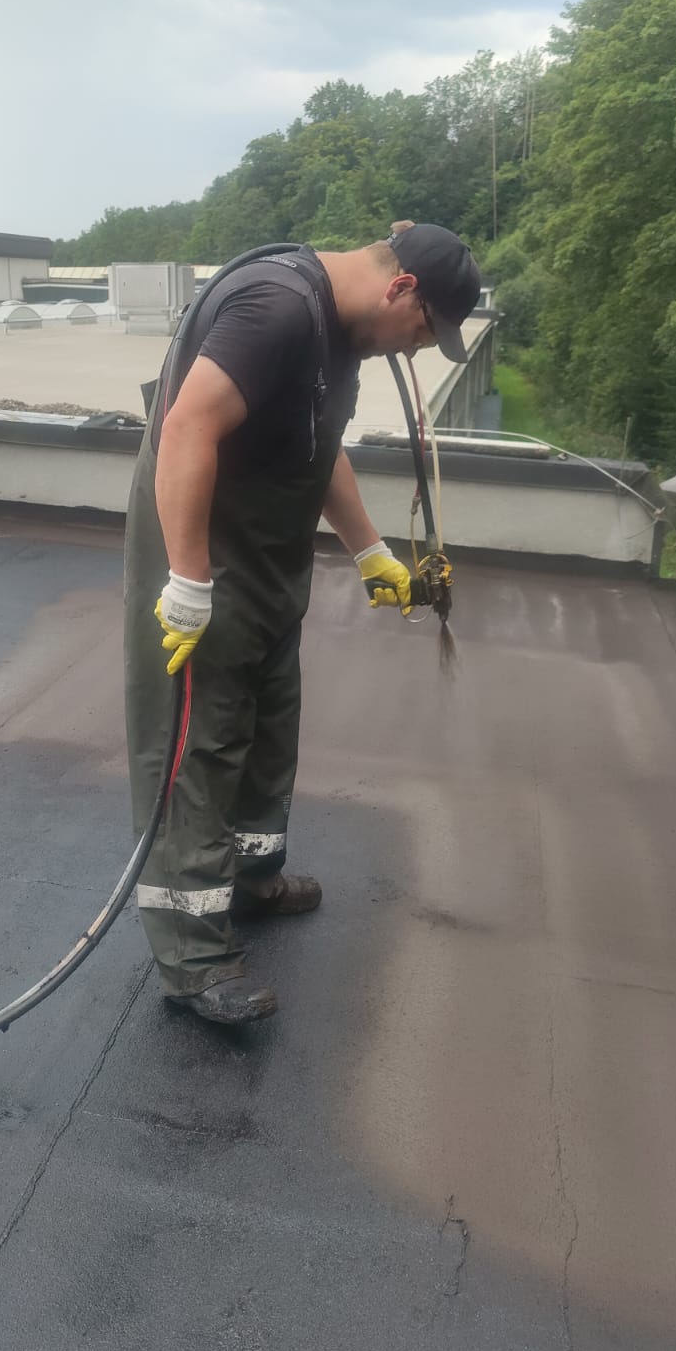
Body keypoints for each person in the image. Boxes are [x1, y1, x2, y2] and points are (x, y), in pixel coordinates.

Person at [123, 222, 481, 1023]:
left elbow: (320, 445)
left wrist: (369, 552)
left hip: (270, 557)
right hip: (206, 544)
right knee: (201, 743)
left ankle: (250, 877)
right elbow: (186, 429)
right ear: (402, 289)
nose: (417, 352)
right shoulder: (276, 307)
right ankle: (192, 956)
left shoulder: (342, 333)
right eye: (425, 333)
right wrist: (186, 579)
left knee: (268, 720)